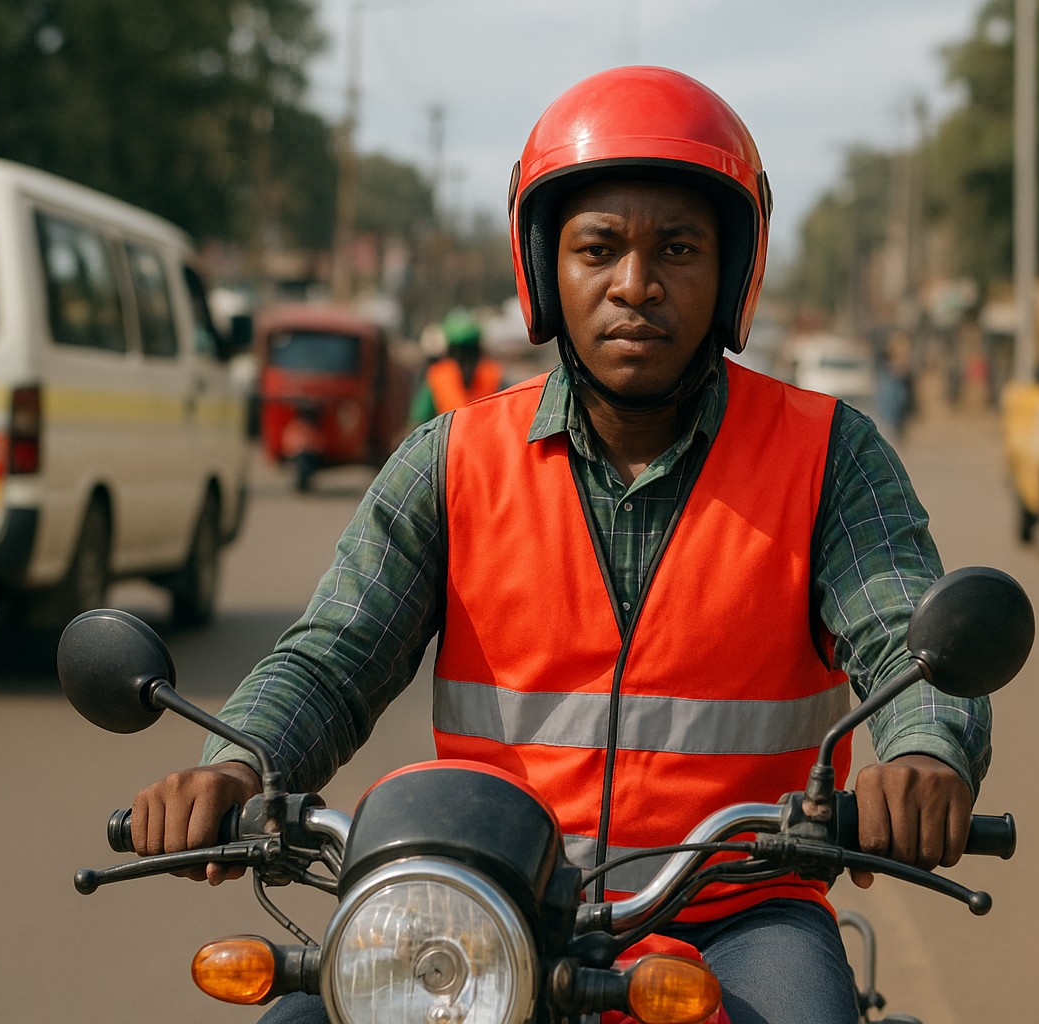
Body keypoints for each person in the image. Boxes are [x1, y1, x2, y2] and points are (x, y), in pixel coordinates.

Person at [130, 66, 990, 1024]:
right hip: (478, 903)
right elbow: (334, 656)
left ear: (732, 270)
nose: (636, 284)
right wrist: (239, 764)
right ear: (546, 269)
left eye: (678, 248)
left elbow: (910, 641)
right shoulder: (451, 461)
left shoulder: (829, 457)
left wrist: (925, 756)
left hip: (742, 912)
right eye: (598, 248)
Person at [407, 306, 504, 427]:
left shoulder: (493, 377)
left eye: (470, 352)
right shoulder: (437, 378)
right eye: (458, 353)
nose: (465, 360)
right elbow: (418, 422)